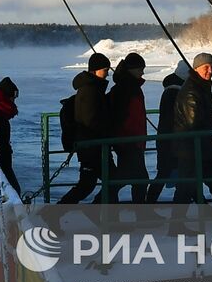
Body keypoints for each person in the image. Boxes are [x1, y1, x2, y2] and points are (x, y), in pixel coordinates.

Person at [172, 53, 212, 204]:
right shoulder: (193, 91)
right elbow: (194, 125)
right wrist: (211, 146)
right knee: (188, 188)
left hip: (198, 148)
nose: (210, 71)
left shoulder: (199, 87)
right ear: (196, 68)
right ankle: (175, 225)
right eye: (206, 67)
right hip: (192, 149)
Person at [57, 53, 114, 204]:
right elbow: (91, 120)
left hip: (91, 146)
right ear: (95, 70)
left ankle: (56, 213)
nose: (107, 72)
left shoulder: (91, 88)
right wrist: (108, 131)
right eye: (105, 69)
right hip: (93, 146)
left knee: (89, 184)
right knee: (109, 181)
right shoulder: (90, 91)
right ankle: (97, 214)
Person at [96, 54, 149, 204]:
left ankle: (140, 212)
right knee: (136, 178)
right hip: (129, 141)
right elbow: (121, 117)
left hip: (131, 140)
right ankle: (140, 213)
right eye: (140, 69)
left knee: (130, 178)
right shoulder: (126, 89)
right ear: (132, 69)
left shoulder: (127, 87)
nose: (142, 72)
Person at [144, 61, 190, 203]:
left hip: (167, 139)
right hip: (172, 141)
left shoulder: (170, 91)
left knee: (170, 173)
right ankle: (148, 206)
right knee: (173, 174)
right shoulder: (176, 92)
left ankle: (148, 205)